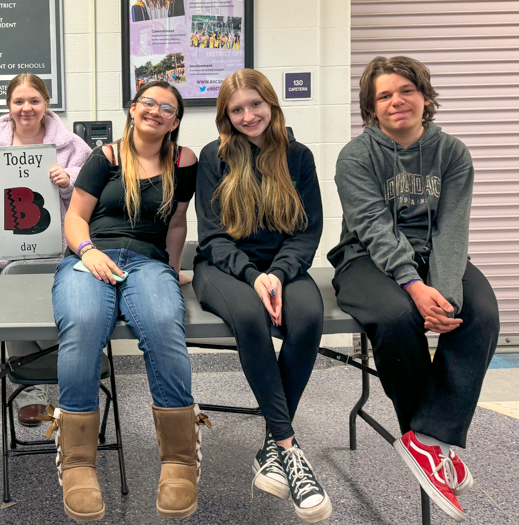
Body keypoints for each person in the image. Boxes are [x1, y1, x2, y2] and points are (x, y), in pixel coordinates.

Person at [328, 56, 499, 523]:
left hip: (435, 254)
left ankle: (428, 439)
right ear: (371, 107)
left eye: (406, 90)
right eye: (384, 95)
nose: (397, 101)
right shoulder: (357, 156)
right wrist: (415, 287)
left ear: (425, 96)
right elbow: (373, 227)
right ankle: (424, 437)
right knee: (397, 316)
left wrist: (442, 291)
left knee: (477, 313)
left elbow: (452, 228)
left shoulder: (453, 153)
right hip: (365, 257)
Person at [46, 81, 207, 522]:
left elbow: (176, 222)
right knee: (81, 324)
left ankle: (179, 461)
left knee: (161, 324)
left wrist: (172, 270)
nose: (156, 111)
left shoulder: (183, 161)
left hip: (148, 262)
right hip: (91, 256)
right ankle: (78, 463)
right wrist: (88, 252)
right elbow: (75, 217)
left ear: (175, 120)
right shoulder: (107, 157)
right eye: (148, 103)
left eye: (167, 108)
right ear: (133, 109)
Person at [193, 69, 330, 523]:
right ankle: (290, 448)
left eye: (256, 104)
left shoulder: (299, 156)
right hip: (224, 268)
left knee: (309, 316)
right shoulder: (215, 157)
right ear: (225, 116)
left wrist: (279, 273)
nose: (248, 115)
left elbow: (307, 231)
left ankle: (271, 447)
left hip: (283, 266)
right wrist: (255, 276)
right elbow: (213, 237)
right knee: (251, 318)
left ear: (271, 104)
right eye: (237, 109)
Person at [0, 73, 92, 426]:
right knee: (16, 318)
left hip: (58, 251)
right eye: (18, 101)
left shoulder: (74, 146)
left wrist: (69, 182)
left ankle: (63, 385)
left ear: (46, 103)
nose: (26, 108)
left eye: (34, 100)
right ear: (8, 106)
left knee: (51, 316)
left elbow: (97, 196)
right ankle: (33, 392)